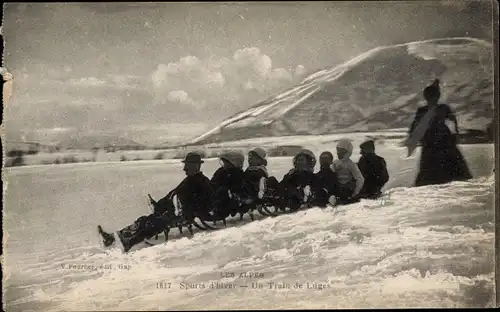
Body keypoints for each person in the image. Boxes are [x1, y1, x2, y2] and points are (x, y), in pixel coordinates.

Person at [97, 152, 214, 252]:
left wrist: (187, 209)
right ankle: (112, 237)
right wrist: (160, 205)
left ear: (196, 166)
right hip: (175, 211)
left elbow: (206, 204)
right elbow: (173, 194)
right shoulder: (189, 180)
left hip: (186, 215)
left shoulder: (203, 182)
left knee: (157, 222)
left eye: (187, 166)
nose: (184, 169)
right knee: (144, 220)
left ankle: (130, 242)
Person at [409, 79, 472, 187]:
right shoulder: (441, 108)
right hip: (440, 140)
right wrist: (455, 133)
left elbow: (414, 127)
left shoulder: (427, 110)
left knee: (433, 166)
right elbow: (452, 120)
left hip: (434, 140)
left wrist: (456, 133)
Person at [210, 151, 249, 221]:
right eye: (223, 162)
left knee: (222, 191)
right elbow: (213, 182)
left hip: (230, 199)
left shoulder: (237, 173)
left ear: (234, 163)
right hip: (218, 196)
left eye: (226, 163)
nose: (224, 165)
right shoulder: (221, 171)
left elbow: (237, 188)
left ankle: (219, 212)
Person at [332, 139, 365, 204]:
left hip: (347, 190)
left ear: (347, 152)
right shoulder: (335, 163)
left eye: (341, 151)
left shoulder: (351, 164)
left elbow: (360, 179)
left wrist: (355, 192)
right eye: (338, 150)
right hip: (337, 189)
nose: (338, 153)